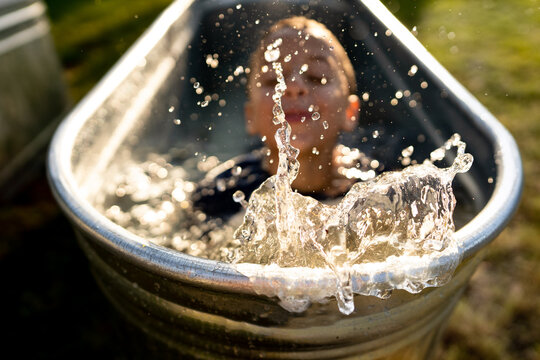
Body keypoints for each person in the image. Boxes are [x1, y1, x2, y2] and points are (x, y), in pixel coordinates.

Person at [192, 16, 375, 217]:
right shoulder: (219, 198)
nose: (293, 87)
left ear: (349, 112)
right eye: (273, 80)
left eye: (316, 77)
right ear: (250, 117)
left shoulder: (376, 190)